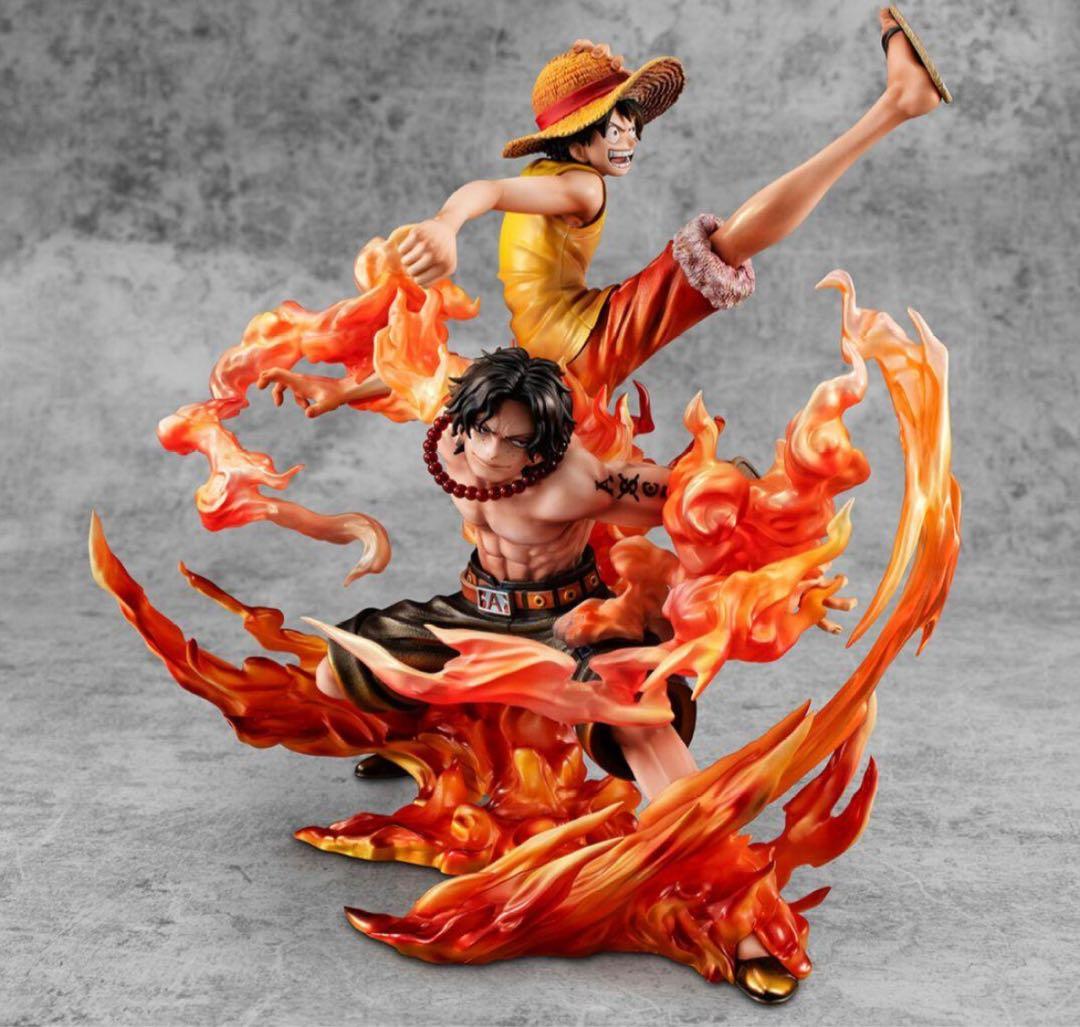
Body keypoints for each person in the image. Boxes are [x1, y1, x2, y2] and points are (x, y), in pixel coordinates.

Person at [310, 348, 855, 1003]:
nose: (491, 452)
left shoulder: (576, 480)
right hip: (474, 609)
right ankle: (449, 751)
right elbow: (405, 368)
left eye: (515, 442)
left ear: (542, 443)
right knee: (337, 675)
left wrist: (780, 567)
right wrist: (335, 389)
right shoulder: (453, 428)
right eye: (484, 431)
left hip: (571, 621)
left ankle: (746, 918)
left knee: (644, 732)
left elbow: (696, 497)